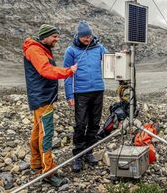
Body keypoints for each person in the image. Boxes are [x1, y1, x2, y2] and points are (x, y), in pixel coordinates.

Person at [23, 24, 77, 187]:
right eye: (54, 36)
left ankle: (36, 165)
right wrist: (68, 71)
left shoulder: (39, 48)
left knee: (37, 131)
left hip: (41, 98)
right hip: (42, 99)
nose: (57, 39)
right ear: (45, 36)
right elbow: (46, 70)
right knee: (46, 134)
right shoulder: (35, 50)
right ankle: (49, 172)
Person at [63, 20, 107, 172]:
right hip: (80, 92)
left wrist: (122, 55)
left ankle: (89, 152)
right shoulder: (71, 50)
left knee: (94, 124)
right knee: (81, 124)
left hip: (98, 90)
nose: (87, 39)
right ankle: (78, 156)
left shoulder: (99, 47)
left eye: (89, 36)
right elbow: (67, 74)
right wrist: (69, 95)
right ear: (78, 36)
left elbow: (111, 60)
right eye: (84, 37)